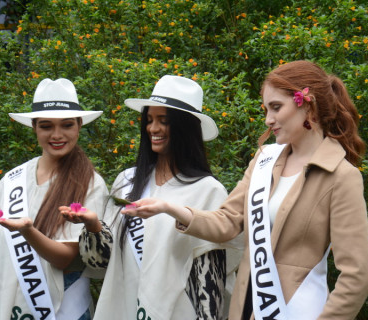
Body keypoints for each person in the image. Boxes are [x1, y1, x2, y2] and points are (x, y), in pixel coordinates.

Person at [122, 61, 368, 320]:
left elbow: (359, 274)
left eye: (276, 107)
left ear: (307, 104)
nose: (268, 119)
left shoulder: (341, 176)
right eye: (266, 109)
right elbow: (227, 222)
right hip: (246, 307)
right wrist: (169, 208)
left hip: (298, 311)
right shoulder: (264, 160)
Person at [61, 75, 243, 319]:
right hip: (122, 307)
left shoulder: (208, 190)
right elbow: (102, 263)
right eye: (149, 120)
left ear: (185, 127)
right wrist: (93, 226)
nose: (153, 128)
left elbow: (209, 279)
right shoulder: (127, 182)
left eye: (163, 121)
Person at [0, 78, 110, 320]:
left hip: (63, 308)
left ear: (79, 126)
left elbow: (65, 257)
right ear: (34, 127)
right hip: (10, 302)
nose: (57, 135)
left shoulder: (90, 183)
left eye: (67, 125)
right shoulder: (14, 178)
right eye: (46, 126)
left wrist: (28, 231)